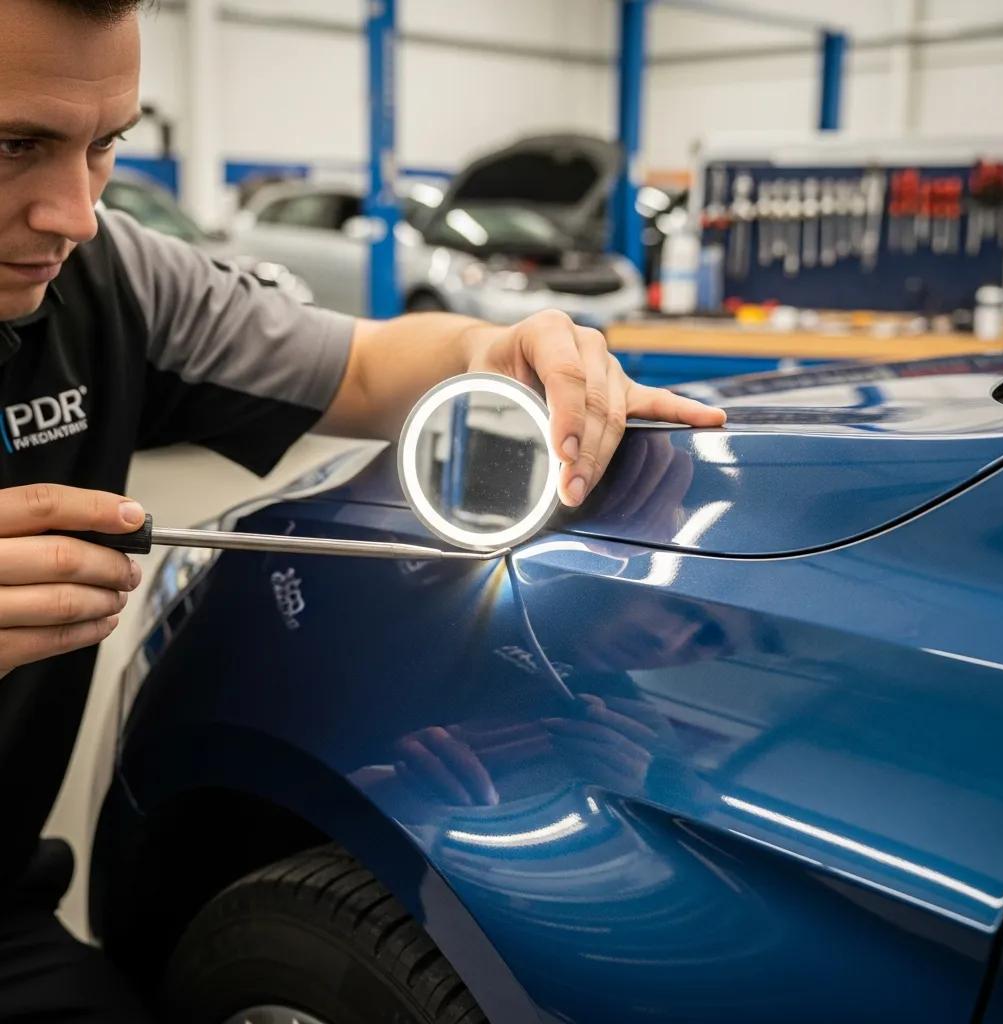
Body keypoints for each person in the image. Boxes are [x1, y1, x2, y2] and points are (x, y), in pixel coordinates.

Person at [0, 0, 726, 1018]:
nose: (73, 213)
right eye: (13, 147)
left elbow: (370, 363)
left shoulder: (113, 277)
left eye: (103, 146)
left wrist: (497, 351)